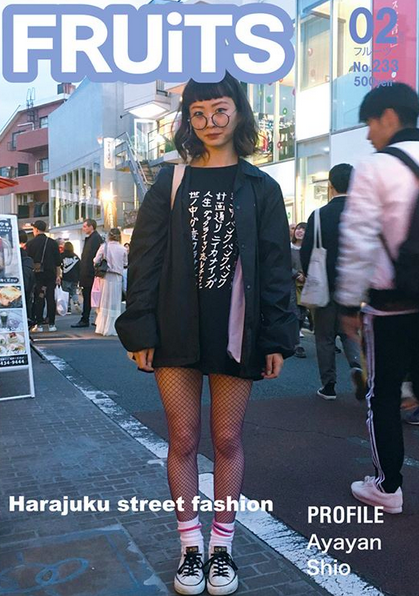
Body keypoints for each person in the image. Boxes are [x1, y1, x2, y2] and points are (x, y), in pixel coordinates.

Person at [116, 73, 297, 596]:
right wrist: (140, 328)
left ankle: (222, 547)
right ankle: (190, 547)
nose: (210, 122)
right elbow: (144, 261)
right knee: (182, 439)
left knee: (227, 440)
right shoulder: (170, 182)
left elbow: (276, 268)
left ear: (238, 112)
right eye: (198, 114)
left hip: (236, 331)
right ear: (187, 120)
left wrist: (276, 338)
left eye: (220, 110)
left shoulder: (262, 187)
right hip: (174, 329)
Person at [336, 83, 419, 514]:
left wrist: (347, 304)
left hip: (391, 307)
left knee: (383, 394)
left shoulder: (375, 168)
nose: (369, 135)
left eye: (370, 124)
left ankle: (387, 488)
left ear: (389, 116)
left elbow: (358, 243)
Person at [301, 164, 364, 400]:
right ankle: (357, 365)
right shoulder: (363, 214)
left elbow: (306, 251)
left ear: (331, 185)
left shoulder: (319, 215)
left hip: (324, 285)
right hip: (355, 285)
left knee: (324, 337)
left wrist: (309, 275)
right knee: (351, 331)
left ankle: (328, 386)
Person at [26, 220, 61, 332]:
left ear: (36, 229)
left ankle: (39, 324)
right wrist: (58, 275)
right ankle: (52, 324)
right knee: (50, 298)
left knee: (39, 298)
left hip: (37, 275)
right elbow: (58, 262)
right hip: (50, 274)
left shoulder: (30, 244)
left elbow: (28, 260)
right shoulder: (52, 243)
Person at [93, 228, 127, 336]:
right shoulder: (123, 249)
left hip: (105, 277)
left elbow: (95, 260)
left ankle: (102, 327)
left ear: (109, 236)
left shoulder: (104, 247)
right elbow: (125, 263)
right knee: (114, 302)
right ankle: (113, 327)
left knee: (104, 301)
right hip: (117, 277)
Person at [71, 219, 103, 328]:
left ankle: (86, 319)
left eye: (85, 226)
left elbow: (90, 258)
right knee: (90, 296)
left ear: (91, 227)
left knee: (89, 296)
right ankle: (92, 318)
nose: (83, 228)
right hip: (89, 273)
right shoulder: (93, 238)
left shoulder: (94, 239)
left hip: (90, 273)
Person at [290, 222, 307, 358]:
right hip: (291, 283)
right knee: (294, 312)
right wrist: (296, 274)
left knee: (302, 312)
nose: (299, 231)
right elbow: (283, 264)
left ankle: (295, 339)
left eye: (303, 230)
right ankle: (296, 345)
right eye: (298, 229)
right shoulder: (288, 248)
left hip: (305, 284)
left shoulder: (308, 249)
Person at [19, 230, 35, 323]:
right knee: (27, 297)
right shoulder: (27, 252)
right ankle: (28, 318)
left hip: (18, 278)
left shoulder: (13, 252)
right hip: (28, 274)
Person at [60, 242, 81, 314]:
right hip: (75, 277)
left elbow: (59, 265)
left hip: (65, 277)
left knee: (66, 293)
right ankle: (76, 303)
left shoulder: (62, 256)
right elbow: (79, 267)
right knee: (74, 291)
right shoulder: (76, 256)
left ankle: (68, 308)